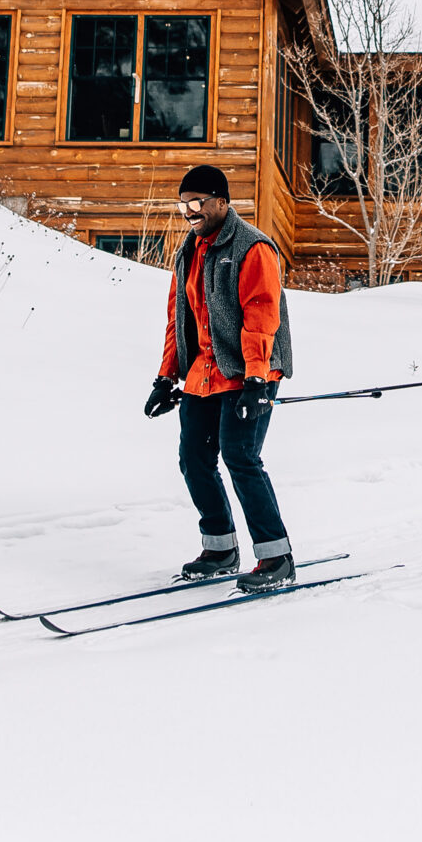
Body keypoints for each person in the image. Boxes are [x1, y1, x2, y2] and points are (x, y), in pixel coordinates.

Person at [144, 164, 297, 591]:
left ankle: (276, 556)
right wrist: (165, 377)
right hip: (203, 372)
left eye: (198, 203)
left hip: (251, 368)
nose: (189, 212)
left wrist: (255, 382)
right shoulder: (189, 250)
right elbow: (179, 318)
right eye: (183, 205)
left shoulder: (253, 247)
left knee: (241, 457)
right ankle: (221, 547)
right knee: (193, 457)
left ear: (222, 203)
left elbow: (261, 317)